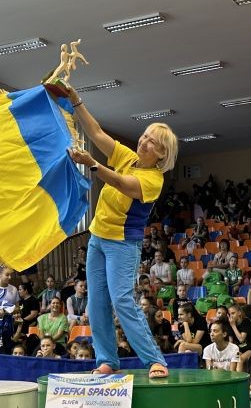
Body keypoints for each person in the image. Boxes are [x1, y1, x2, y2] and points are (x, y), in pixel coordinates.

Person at [67, 84, 178, 379]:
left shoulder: (153, 180)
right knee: (96, 302)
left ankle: (154, 359)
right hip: (97, 238)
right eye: (145, 136)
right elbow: (96, 133)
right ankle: (107, 359)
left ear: (162, 154)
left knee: (122, 300)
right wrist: (76, 101)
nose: (145, 142)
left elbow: (120, 183)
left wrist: (93, 165)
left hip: (123, 244)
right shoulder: (127, 158)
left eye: (153, 142)